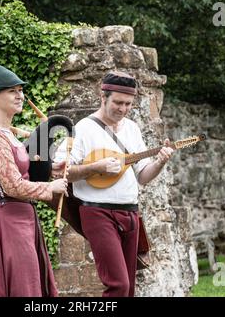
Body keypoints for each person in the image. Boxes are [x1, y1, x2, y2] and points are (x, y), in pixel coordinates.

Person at [55, 71, 174, 297]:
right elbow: (63, 172)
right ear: (103, 97)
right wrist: (95, 168)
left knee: (129, 286)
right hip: (97, 212)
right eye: (118, 102)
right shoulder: (83, 129)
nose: (123, 109)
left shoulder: (132, 128)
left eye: (128, 104)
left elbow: (143, 176)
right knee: (118, 285)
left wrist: (160, 162)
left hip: (130, 213)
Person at [0, 64, 68, 297]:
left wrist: (50, 168)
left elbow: (20, 170)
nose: (20, 95)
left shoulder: (7, 133)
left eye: (21, 90)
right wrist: (50, 188)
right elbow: (12, 186)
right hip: (6, 224)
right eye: (12, 91)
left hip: (23, 221)